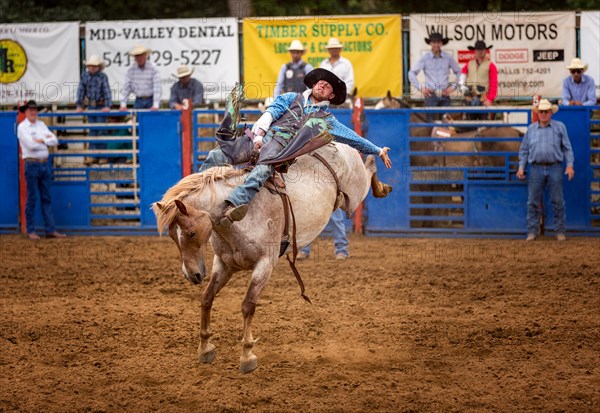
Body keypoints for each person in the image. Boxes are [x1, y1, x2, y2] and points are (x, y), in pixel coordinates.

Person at [198, 69, 392, 238]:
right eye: (321, 81)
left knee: (262, 171)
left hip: (282, 149)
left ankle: (232, 206)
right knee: (219, 154)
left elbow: (352, 138)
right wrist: (258, 136)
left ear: (332, 96)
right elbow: (270, 113)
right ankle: (197, 191)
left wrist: (377, 150)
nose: (323, 84)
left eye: (328, 85)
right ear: (314, 84)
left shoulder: (326, 120)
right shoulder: (291, 98)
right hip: (261, 137)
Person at [516, 99, 574, 242]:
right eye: (541, 111)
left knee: (557, 201)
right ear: (538, 113)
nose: (543, 114)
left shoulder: (560, 127)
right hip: (535, 167)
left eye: (545, 112)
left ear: (550, 113)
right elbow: (524, 151)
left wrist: (570, 165)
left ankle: (560, 231)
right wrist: (521, 167)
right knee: (532, 202)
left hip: (555, 166)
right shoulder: (530, 130)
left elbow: (567, 148)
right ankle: (532, 232)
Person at [17, 100, 66, 240]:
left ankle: (50, 230)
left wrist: (41, 140)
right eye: (30, 110)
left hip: (44, 164)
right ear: (25, 112)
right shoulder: (22, 127)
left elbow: (55, 140)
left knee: (46, 197)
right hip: (32, 164)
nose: (33, 112)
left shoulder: (41, 124)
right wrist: (45, 140)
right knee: (32, 198)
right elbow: (31, 146)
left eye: (35, 109)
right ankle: (31, 230)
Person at [408, 32, 461, 118]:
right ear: (430, 43)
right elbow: (411, 73)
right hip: (431, 95)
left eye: (438, 42)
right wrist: (420, 88)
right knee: (430, 123)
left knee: (445, 122)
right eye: (434, 42)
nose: (436, 45)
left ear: (441, 43)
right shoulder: (425, 58)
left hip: (445, 95)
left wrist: (453, 87)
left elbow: (459, 72)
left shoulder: (448, 57)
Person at [76, 55, 113, 165]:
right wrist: (79, 105)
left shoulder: (102, 77)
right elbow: (81, 91)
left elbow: (106, 91)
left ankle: (102, 156)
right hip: (91, 106)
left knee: (101, 130)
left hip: (101, 106)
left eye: (94, 66)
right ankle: (93, 155)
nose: (92, 68)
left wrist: (107, 105)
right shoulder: (85, 76)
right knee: (93, 130)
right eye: (90, 66)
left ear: (98, 67)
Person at [458, 40, 497, 119]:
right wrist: (464, 89)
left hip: (484, 99)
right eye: (478, 49)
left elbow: (494, 84)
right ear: (475, 51)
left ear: (485, 51)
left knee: (484, 125)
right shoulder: (469, 64)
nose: (480, 52)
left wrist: (489, 99)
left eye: (482, 49)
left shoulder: (491, 65)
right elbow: (462, 76)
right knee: (470, 124)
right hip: (470, 98)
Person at [119, 44, 161, 110]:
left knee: (151, 119)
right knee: (137, 119)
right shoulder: (131, 69)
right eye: (137, 56)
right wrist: (123, 105)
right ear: (135, 58)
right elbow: (127, 87)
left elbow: (157, 87)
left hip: (151, 100)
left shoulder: (153, 68)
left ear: (145, 56)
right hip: (138, 100)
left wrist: (156, 105)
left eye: (141, 55)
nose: (139, 58)